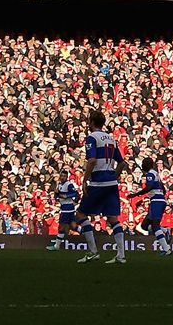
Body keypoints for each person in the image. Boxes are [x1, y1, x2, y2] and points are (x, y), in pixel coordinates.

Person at [79, 111, 128, 264]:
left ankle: (93, 251)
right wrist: (114, 176)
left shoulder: (92, 138)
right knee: (113, 218)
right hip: (111, 183)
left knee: (81, 214)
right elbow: (122, 162)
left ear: (91, 122)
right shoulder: (111, 138)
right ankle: (121, 255)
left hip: (98, 182)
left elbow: (92, 160)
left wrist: (84, 180)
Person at [142, 159, 172, 256]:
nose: (142, 165)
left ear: (146, 165)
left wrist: (136, 194)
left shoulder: (150, 174)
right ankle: (165, 231)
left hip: (156, 201)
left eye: (143, 163)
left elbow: (149, 187)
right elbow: (163, 188)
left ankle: (166, 249)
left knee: (154, 225)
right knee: (144, 226)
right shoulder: (156, 174)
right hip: (158, 201)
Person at [48, 175, 82, 251]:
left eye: (64, 176)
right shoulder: (59, 185)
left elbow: (76, 193)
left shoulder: (68, 184)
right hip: (64, 207)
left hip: (67, 209)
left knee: (61, 227)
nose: (62, 177)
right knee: (73, 226)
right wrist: (57, 194)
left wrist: (67, 196)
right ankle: (87, 234)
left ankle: (57, 245)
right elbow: (58, 196)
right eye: (61, 176)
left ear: (66, 177)